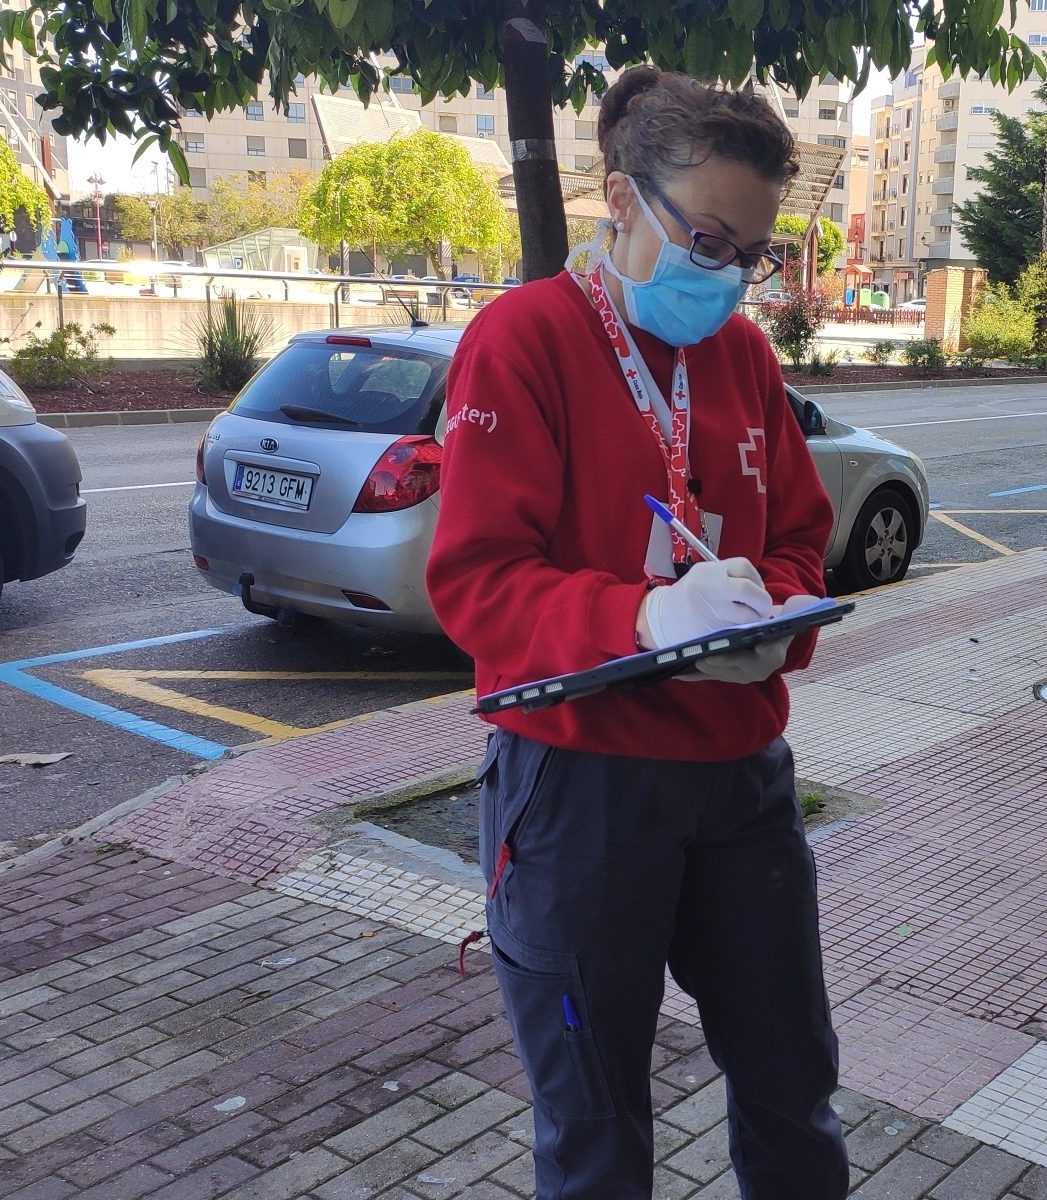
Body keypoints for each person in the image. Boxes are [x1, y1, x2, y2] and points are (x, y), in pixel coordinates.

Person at [425, 67, 847, 1199]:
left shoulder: (743, 359)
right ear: (618, 198)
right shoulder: (523, 340)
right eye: (707, 240)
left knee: (792, 1087)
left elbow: (802, 533)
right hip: (580, 789)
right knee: (593, 1121)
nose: (728, 277)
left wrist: (777, 613)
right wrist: (645, 617)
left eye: (749, 255)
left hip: (739, 781)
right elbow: (475, 582)